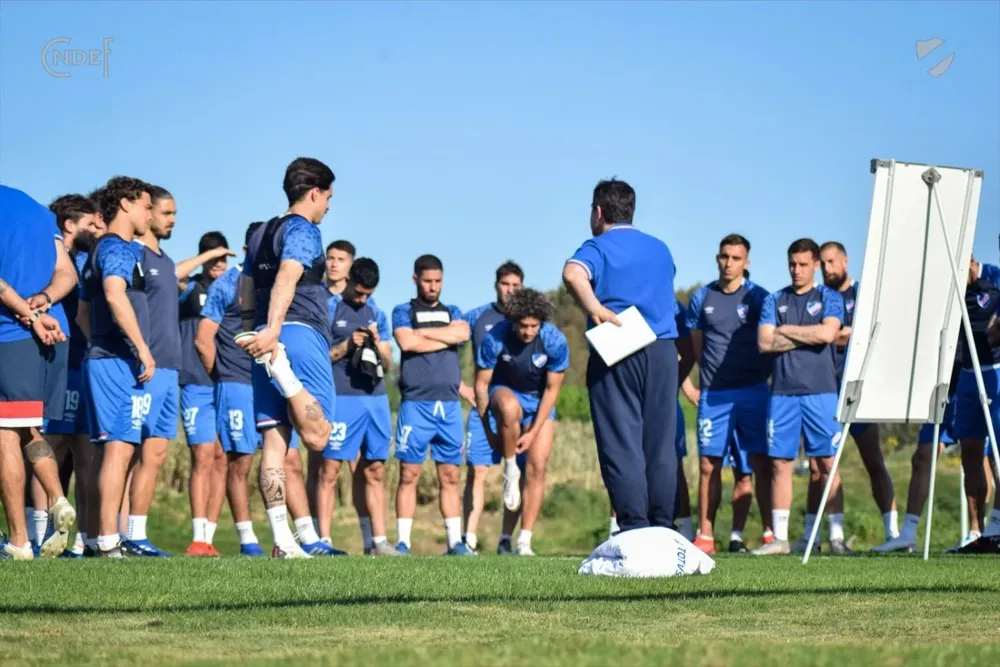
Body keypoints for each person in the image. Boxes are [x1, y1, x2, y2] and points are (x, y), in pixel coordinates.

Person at [562, 178, 680, 534]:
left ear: (598, 212)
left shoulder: (598, 246)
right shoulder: (661, 248)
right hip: (662, 349)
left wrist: (595, 306)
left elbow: (572, 273)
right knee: (661, 442)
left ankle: (633, 526)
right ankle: (662, 525)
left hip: (618, 344)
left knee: (621, 440)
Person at [236, 157, 337, 559]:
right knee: (319, 435)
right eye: (328, 198)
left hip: (260, 337)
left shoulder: (260, 232)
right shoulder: (303, 230)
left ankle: (282, 541)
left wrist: (254, 328)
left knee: (273, 443)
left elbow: (245, 287)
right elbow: (288, 276)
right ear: (315, 193)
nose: (328, 206)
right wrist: (275, 331)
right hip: (294, 335)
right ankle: (286, 374)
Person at [754, 238, 846, 556]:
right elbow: (765, 343)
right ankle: (780, 539)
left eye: (803, 264)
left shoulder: (830, 298)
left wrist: (786, 330)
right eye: (792, 264)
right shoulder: (774, 299)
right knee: (780, 463)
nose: (797, 270)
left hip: (821, 392)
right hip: (782, 393)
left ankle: (833, 537)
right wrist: (809, 335)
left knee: (826, 465)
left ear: (816, 265)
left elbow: (827, 334)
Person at [81, 176, 155, 558]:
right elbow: (113, 294)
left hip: (105, 357)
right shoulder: (118, 247)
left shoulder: (101, 248)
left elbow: (82, 312)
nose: (149, 213)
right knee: (119, 448)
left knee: (108, 447)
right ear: (125, 204)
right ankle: (109, 541)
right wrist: (141, 347)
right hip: (116, 360)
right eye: (145, 205)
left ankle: (97, 538)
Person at [0, 185, 74, 560]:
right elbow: (66, 273)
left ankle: (18, 542)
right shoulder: (37, 210)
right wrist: (43, 301)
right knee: (29, 428)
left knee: (4, 436)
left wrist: (29, 315)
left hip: (10, 335)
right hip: (51, 334)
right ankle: (59, 499)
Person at [685, 235, 772, 554]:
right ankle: (705, 535)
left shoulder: (760, 297)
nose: (728, 263)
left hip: (753, 392)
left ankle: (769, 533)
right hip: (715, 396)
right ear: (716, 258)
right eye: (724, 256)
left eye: (736, 258)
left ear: (746, 262)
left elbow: (770, 343)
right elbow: (694, 348)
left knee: (761, 463)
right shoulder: (701, 297)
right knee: (709, 465)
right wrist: (691, 385)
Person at [474, 288, 568, 555]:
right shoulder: (496, 337)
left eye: (533, 326)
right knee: (509, 406)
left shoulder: (553, 340)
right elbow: (481, 386)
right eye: (523, 326)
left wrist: (534, 431)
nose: (528, 332)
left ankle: (523, 540)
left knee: (537, 468)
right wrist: (489, 430)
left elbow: (552, 390)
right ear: (513, 321)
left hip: (539, 403)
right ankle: (510, 468)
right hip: (505, 393)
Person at [391, 254, 472, 555]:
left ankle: (455, 542)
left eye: (438, 281)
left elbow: (463, 333)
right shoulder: (403, 310)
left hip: (449, 406)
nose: (433, 286)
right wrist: (444, 338)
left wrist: (423, 334)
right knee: (409, 473)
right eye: (427, 281)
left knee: (450, 475)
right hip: (416, 405)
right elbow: (406, 343)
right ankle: (403, 542)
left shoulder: (453, 311)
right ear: (415, 279)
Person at [194, 222, 267, 556]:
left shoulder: (276, 281)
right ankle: (247, 539)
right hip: (236, 384)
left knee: (285, 460)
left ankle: (290, 536)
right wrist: (223, 375)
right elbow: (203, 339)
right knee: (240, 461)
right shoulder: (227, 283)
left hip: (270, 384)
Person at [820, 241, 899, 544]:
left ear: (845, 261)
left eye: (832, 262)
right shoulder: (820, 298)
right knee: (825, 464)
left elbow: (868, 332)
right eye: (823, 263)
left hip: (859, 392)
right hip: (827, 391)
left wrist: (834, 334)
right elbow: (828, 336)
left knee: (873, 461)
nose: (828, 269)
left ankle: (893, 532)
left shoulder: (863, 294)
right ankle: (830, 535)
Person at [320, 257, 400, 555]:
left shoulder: (377, 312)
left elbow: (390, 363)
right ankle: (324, 541)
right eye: (360, 292)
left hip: (375, 399)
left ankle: (377, 541)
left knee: (376, 468)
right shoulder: (330, 308)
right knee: (330, 469)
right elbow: (320, 357)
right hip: (341, 399)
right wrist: (347, 346)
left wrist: (377, 344)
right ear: (349, 279)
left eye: (368, 293)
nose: (363, 298)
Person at [43, 193, 102, 558]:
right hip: (56, 361)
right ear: (69, 224)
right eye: (89, 222)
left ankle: (84, 540)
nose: (95, 229)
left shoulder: (85, 260)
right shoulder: (48, 257)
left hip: (84, 364)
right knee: (52, 445)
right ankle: (37, 535)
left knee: (86, 451)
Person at [178, 230, 237, 557]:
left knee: (221, 457)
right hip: (195, 383)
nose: (218, 264)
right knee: (202, 455)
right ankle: (197, 536)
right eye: (212, 258)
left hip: (227, 383)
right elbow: (173, 274)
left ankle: (208, 540)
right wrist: (205, 258)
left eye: (222, 258)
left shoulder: (231, 291)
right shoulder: (189, 289)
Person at [461, 261, 523, 554]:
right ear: (496, 285)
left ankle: (506, 540)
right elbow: (448, 350)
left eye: (515, 286)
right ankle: (468, 540)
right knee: (478, 472)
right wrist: (463, 388)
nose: (509, 291)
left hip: (516, 407)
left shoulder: (526, 319)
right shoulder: (476, 317)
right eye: (505, 284)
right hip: (482, 407)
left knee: (518, 471)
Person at [946, 258, 1000, 552]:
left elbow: (995, 333)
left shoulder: (994, 278)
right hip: (966, 375)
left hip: (995, 371)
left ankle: (997, 527)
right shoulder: (950, 288)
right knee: (970, 453)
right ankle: (975, 530)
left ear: (969, 260)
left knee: (999, 454)